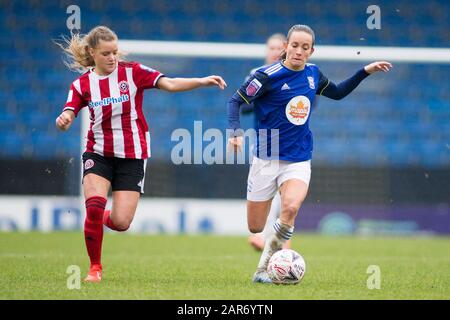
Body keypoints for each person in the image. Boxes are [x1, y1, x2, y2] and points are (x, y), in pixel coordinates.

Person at [55, 26, 226, 282]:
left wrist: (201, 81)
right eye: (106, 53)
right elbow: (69, 110)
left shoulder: (132, 72)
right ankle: (95, 267)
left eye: (115, 52)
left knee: (121, 222)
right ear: (92, 53)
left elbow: (169, 83)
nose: (112, 58)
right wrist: (65, 118)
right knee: (94, 204)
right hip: (98, 153)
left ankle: (95, 217)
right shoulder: (81, 85)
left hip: (133, 156)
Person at [227, 24, 392, 283]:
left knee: (290, 207)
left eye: (305, 47)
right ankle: (266, 260)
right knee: (255, 226)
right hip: (266, 159)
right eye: (294, 45)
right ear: (286, 47)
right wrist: (235, 131)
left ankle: (264, 268)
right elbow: (235, 100)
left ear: (311, 51)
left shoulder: (314, 74)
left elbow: (337, 93)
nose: (299, 51)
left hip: (299, 158)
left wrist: (365, 71)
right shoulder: (266, 75)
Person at [241, 33, 292, 252]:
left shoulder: (297, 74)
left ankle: (284, 244)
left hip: (291, 141)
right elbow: (242, 106)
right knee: (266, 191)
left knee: (288, 196)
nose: (274, 52)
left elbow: (310, 103)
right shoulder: (257, 75)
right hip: (267, 142)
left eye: (278, 48)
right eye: (270, 48)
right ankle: (261, 236)